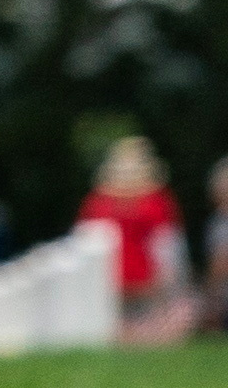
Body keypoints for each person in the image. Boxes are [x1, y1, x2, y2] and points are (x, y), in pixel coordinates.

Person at [80, 134, 191, 341]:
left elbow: (83, 246)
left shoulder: (96, 203)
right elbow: (168, 247)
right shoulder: (158, 202)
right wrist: (174, 282)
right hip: (145, 283)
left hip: (111, 282)